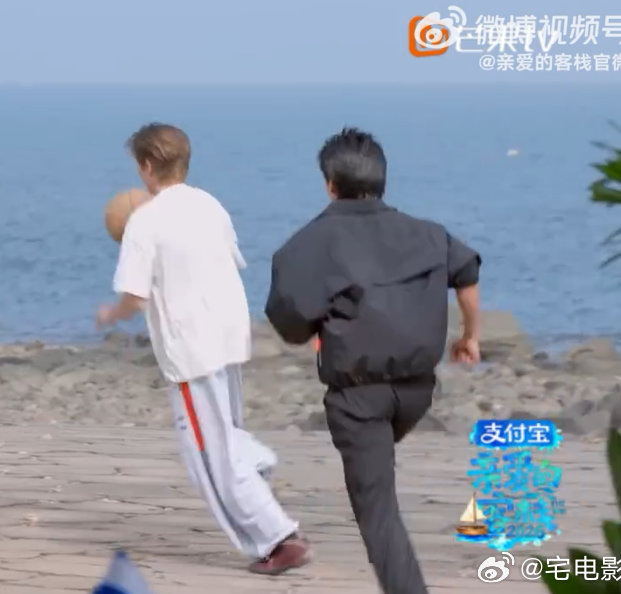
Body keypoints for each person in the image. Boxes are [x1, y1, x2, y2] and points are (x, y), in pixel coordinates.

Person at [265, 127, 481, 593]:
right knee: (377, 468)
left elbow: (291, 327)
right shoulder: (429, 233)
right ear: (382, 179)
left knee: (378, 510)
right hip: (418, 391)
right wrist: (470, 337)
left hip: (358, 398)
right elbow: (467, 273)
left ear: (330, 184)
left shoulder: (309, 244)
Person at [95, 122, 311, 575]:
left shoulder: (144, 222)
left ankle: (278, 535)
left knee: (210, 457)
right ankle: (255, 468)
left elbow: (134, 296)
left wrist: (110, 315)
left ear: (146, 166)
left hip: (192, 351)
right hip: (229, 336)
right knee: (224, 436)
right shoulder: (210, 205)